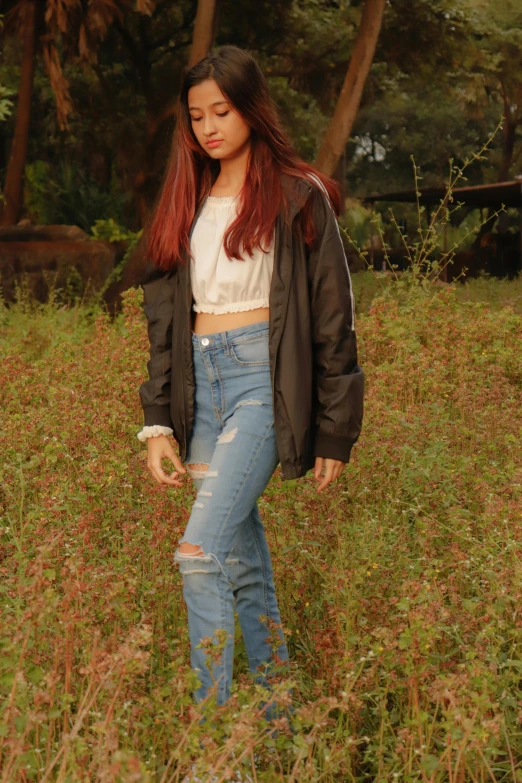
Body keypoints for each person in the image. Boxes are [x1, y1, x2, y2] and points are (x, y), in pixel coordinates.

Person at [136, 45, 364, 711]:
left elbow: (332, 318)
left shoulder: (298, 196)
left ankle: (215, 741)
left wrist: (334, 430)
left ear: (250, 109)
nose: (208, 126)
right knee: (240, 566)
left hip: (266, 385)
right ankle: (277, 722)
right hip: (202, 391)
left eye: (222, 111)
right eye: (197, 115)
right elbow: (164, 326)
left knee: (197, 554)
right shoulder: (188, 199)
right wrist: (157, 422)